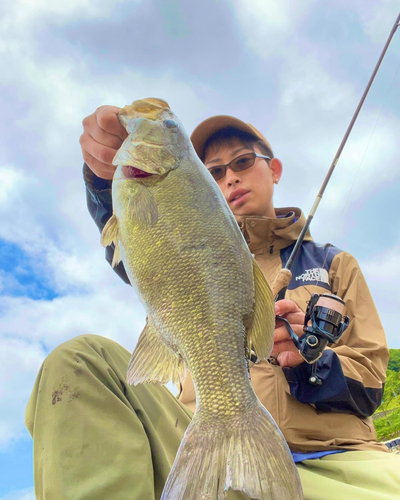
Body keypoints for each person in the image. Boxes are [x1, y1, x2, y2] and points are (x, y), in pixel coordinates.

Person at [25, 104, 400, 500]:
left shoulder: (334, 264)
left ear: (273, 170)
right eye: (215, 171)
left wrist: (309, 361)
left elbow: (372, 383)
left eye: (242, 161)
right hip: (200, 453)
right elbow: (130, 242)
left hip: (333, 461)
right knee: (79, 362)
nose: (231, 176)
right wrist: (102, 183)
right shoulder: (175, 235)